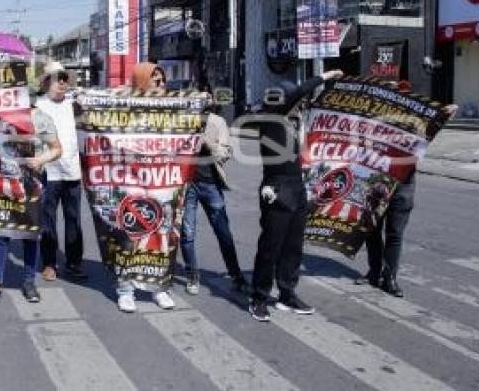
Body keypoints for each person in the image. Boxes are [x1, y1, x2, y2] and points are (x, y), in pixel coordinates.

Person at [249, 69, 344, 322]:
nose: (299, 102)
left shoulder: (293, 120)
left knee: (293, 245)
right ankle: (258, 297)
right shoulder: (270, 117)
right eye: (294, 99)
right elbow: (301, 92)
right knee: (271, 247)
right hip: (276, 188)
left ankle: (287, 293)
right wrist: (324, 77)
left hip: (296, 186)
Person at [356, 81, 458, 298]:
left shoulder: (414, 123)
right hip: (377, 182)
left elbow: (432, 127)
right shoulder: (372, 121)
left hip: (403, 185)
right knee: (372, 231)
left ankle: (389, 277)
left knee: (395, 234)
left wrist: (445, 114)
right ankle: (374, 272)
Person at [0, 107, 62, 305]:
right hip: (4, 183)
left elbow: (57, 149)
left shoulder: (41, 117)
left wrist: (40, 159)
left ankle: (29, 282)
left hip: (31, 184)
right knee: (1, 235)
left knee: (30, 236)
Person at [115, 62, 178, 313]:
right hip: (134, 183)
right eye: (155, 80)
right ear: (142, 82)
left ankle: (160, 288)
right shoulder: (126, 110)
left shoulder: (174, 110)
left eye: (163, 81)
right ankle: (125, 289)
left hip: (164, 180)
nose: (161, 85)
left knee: (164, 235)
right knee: (132, 237)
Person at [180, 88, 246, 295]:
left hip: (210, 184)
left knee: (223, 232)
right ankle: (192, 275)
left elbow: (225, 155)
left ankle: (236, 275)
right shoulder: (181, 121)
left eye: (204, 99)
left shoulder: (217, 122)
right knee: (187, 234)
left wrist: (207, 142)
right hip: (187, 184)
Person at [37, 61, 87, 281]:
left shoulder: (74, 105)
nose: (63, 83)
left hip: (72, 170)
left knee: (73, 219)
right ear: (47, 81)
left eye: (65, 78)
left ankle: (74, 262)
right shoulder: (38, 106)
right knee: (47, 220)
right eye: (58, 78)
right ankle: (49, 263)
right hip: (48, 172)